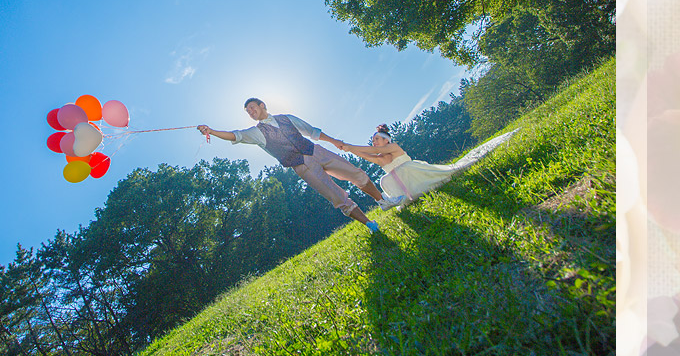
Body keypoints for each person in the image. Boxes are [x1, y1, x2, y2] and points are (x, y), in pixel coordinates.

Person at [197, 98, 404, 233]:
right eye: (247, 111)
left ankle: (383, 201)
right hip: (301, 166)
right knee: (336, 195)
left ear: (262, 106)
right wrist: (211, 131)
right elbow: (236, 135)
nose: (250, 112)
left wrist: (334, 141)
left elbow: (312, 131)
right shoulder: (256, 133)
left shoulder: (286, 118)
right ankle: (370, 224)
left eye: (252, 107)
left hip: (316, 151)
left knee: (355, 173)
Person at [340, 124, 518, 204]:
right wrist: (348, 149)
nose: (374, 143)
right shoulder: (380, 158)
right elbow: (365, 154)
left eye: (377, 139)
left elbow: (369, 150)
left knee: (406, 168)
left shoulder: (394, 147)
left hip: (416, 173)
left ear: (386, 140)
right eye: (373, 140)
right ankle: (407, 197)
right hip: (405, 186)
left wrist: (350, 145)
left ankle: (425, 186)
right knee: (384, 180)